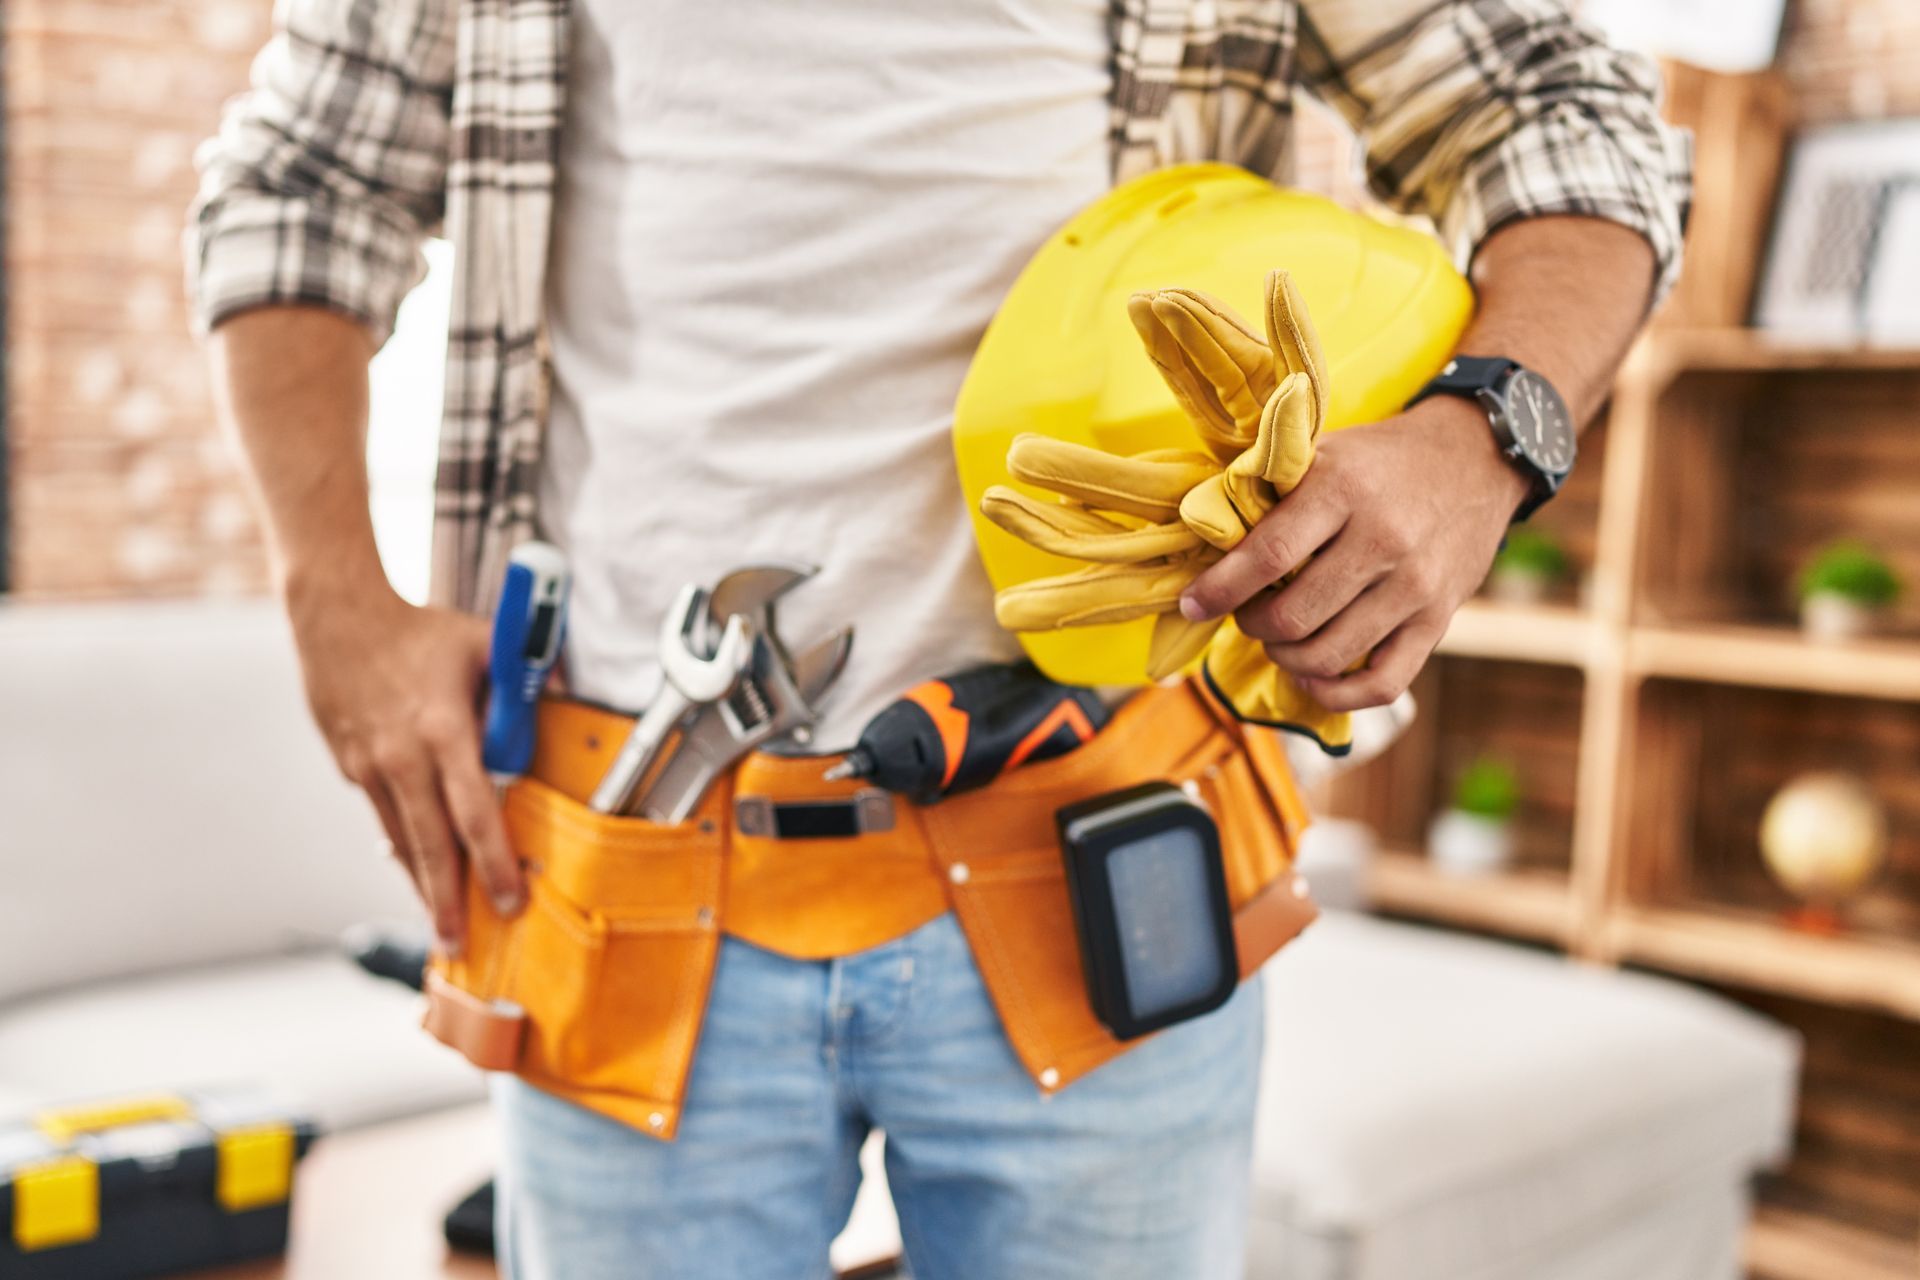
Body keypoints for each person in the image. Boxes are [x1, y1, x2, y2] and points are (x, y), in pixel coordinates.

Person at [189, 2, 1688, 1276]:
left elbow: (1573, 120)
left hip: (1104, 850)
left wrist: (1482, 437)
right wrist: (338, 609)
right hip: (625, 879)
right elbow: (298, 187)